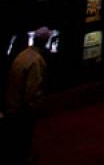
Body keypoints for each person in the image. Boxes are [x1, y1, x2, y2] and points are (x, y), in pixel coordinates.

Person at [4, 26, 51, 165]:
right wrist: (35, 109)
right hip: (21, 110)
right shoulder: (36, 61)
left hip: (11, 103)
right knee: (23, 138)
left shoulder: (23, 54)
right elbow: (32, 92)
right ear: (45, 41)